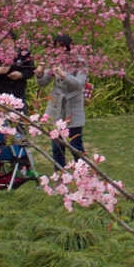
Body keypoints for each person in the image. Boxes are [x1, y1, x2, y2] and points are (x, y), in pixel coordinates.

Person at [39, 32, 89, 168]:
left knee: (76, 146)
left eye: (59, 47)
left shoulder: (80, 63)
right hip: (57, 108)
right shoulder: (56, 62)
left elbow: (79, 84)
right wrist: (40, 73)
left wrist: (64, 75)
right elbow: (44, 82)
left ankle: (84, 175)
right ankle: (59, 176)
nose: (57, 51)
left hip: (73, 108)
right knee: (57, 147)